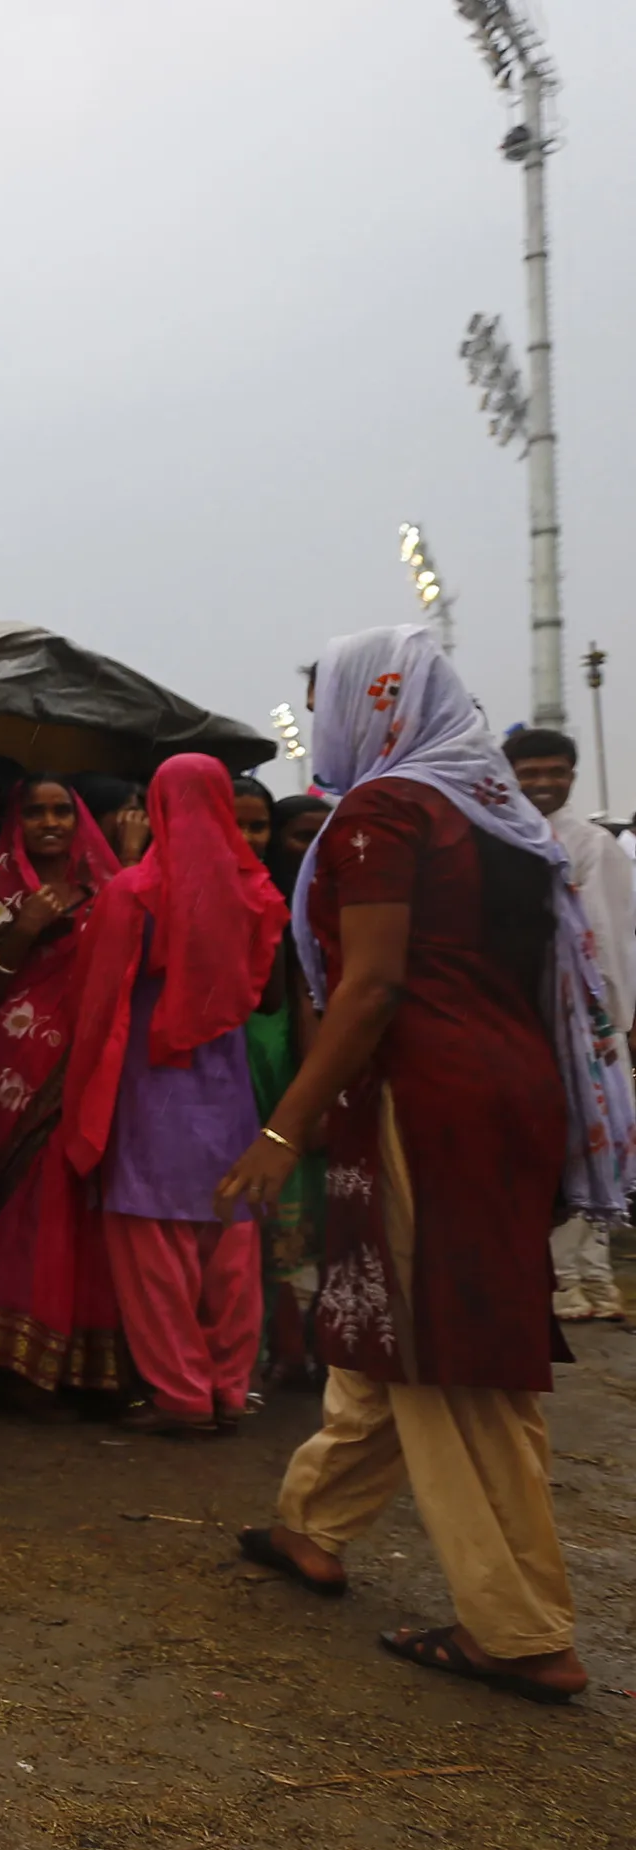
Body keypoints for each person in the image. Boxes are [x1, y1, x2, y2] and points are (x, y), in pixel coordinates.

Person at [225, 627, 635, 1705]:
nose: (324, 722)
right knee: (395, 1315)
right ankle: (309, 1526)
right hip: (511, 1094)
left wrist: (284, 1130)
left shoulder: (384, 813)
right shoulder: (507, 823)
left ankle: (521, 1626)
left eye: (330, 701)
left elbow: (370, 988)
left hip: (427, 1100)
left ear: (376, 704)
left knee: (453, 1356)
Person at [61, 755, 279, 1437]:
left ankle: (181, 1392)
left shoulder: (134, 891)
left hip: (151, 1084)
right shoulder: (258, 892)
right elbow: (266, 993)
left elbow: (96, 995)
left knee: (152, 1242)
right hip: (227, 1086)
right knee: (231, 1239)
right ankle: (229, 1388)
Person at [0, 777, 125, 1405]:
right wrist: (25, 928)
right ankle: (14, 1368)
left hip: (94, 1063)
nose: (49, 822)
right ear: (15, 823)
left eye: (61, 811)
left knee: (82, 1206)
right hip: (21, 1064)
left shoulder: (112, 890)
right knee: (34, 1197)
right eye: (35, 812)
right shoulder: (0, 892)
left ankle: (80, 1367)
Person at [504, 725, 632, 1323]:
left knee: (591, 1140)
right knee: (560, 1140)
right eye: (530, 774)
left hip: (591, 1020)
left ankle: (589, 1283)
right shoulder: (509, 834)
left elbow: (606, 938)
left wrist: (612, 1022)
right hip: (536, 1016)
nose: (543, 784)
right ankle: (568, 1279)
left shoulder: (592, 844)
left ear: (572, 777)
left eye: (555, 773)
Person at [247, 794, 332, 1383]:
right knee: (272, 1199)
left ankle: (313, 1343)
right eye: (302, 837)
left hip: (322, 1048)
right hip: (265, 1050)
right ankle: (284, 1346)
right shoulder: (269, 901)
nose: (314, 850)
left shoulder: (338, 897)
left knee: (319, 1206)